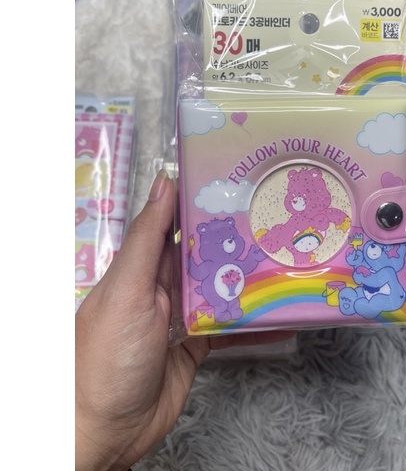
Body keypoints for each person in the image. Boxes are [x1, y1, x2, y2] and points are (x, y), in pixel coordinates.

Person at [75, 169, 296, 471]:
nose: (229, 245)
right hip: (209, 305)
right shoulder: (205, 257)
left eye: (230, 240)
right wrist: (92, 427)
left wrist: (92, 432)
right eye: (223, 241)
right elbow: (202, 271)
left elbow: (246, 262)